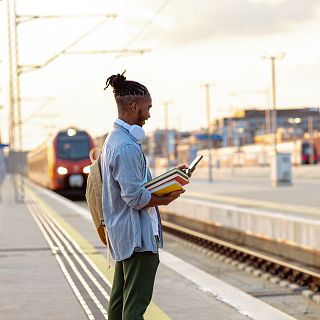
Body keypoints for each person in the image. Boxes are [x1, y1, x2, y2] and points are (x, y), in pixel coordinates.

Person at [101, 72, 189, 320]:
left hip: (123, 234)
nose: (149, 115)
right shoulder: (127, 146)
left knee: (119, 302)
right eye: (148, 108)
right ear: (134, 106)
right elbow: (136, 198)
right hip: (137, 237)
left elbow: (134, 184)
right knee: (135, 306)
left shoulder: (114, 140)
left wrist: (171, 176)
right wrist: (167, 198)